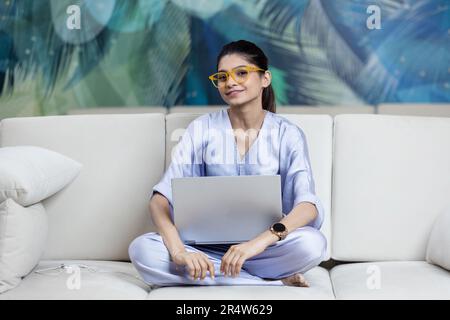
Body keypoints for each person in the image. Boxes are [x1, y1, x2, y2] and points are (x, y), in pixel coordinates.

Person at [129, 40, 327, 287]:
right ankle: (269, 282)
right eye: (222, 76)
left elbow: (308, 206)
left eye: (241, 73)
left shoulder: (288, 133)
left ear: (265, 79)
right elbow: (159, 201)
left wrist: (257, 243)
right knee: (142, 250)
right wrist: (180, 252)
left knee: (313, 245)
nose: (230, 82)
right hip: (203, 251)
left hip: (262, 251)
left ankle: (227, 276)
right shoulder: (201, 128)